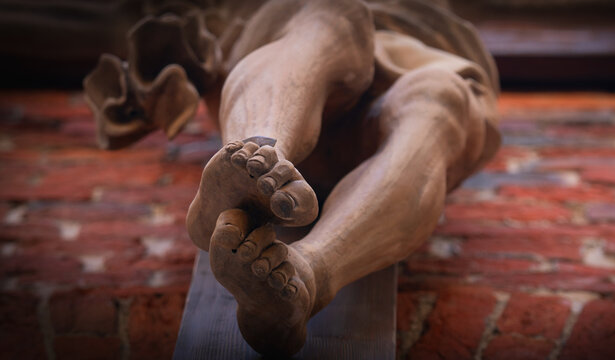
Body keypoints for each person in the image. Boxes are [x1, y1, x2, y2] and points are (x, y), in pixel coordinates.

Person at [84, 0, 500, 356]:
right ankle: (257, 154)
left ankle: (306, 277)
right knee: (329, 19)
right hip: (296, 58)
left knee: (441, 97)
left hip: (417, 70)